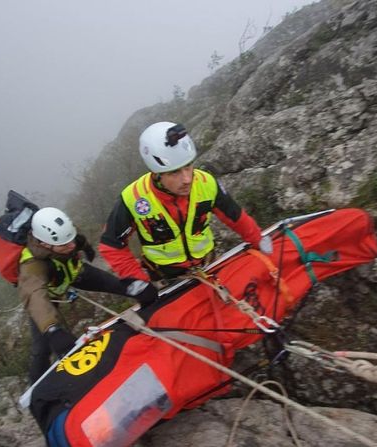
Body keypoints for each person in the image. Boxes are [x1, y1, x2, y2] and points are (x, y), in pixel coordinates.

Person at [99, 121, 273, 284]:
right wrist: (138, 282)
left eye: (188, 166)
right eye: (174, 173)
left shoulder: (206, 183)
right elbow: (111, 246)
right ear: (157, 174)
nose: (187, 179)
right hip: (165, 279)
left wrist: (257, 238)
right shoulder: (133, 198)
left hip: (209, 265)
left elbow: (235, 217)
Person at [18, 206, 157, 383]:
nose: (72, 246)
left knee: (119, 285)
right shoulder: (32, 265)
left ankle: (148, 310)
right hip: (50, 294)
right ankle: (35, 390)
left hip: (76, 273)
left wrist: (86, 247)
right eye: (64, 244)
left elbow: (76, 239)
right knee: (42, 349)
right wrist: (51, 329)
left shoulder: (64, 235)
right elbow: (35, 295)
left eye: (71, 240)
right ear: (44, 244)